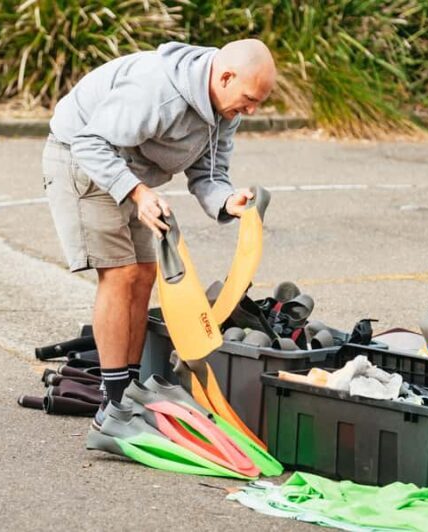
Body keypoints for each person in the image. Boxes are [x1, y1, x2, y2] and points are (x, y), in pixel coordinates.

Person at [42, 39, 276, 427]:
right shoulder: (159, 91)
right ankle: (112, 405)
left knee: (145, 273)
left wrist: (228, 200)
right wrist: (137, 191)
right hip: (82, 160)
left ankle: (127, 391)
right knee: (120, 274)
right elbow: (89, 141)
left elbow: (209, 175)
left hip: (131, 171)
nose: (250, 111)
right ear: (226, 76)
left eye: (258, 104)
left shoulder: (225, 111)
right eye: (249, 98)